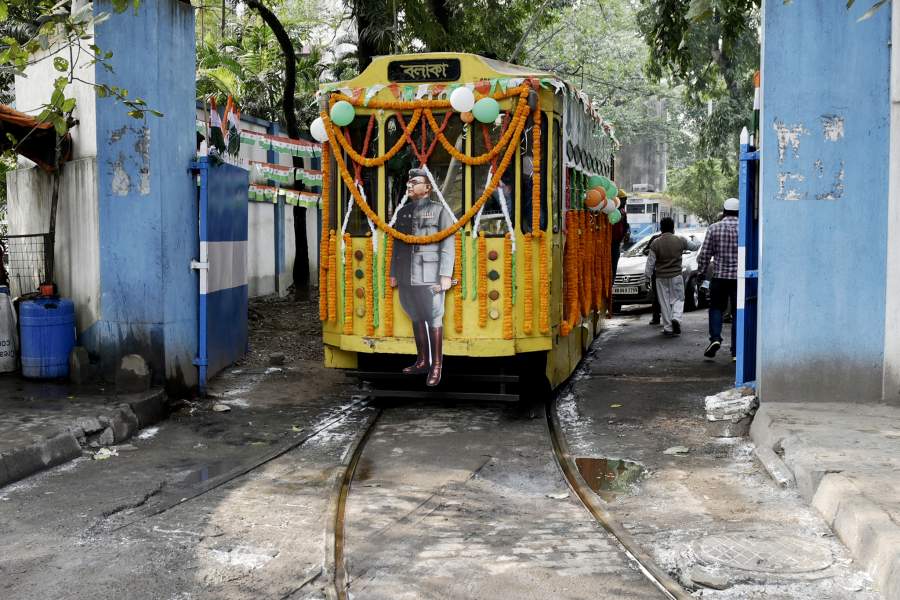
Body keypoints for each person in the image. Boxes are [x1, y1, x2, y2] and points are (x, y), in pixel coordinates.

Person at [389, 169, 455, 386]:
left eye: (415, 182)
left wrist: (446, 274)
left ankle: (437, 366)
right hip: (407, 274)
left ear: (427, 188)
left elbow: (447, 245)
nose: (409, 185)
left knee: (434, 316)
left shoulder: (440, 212)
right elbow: (397, 245)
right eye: (408, 182)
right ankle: (423, 361)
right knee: (415, 315)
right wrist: (393, 274)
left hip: (430, 274)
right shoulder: (403, 212)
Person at [696, 197, 739, 360]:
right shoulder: (745, 228)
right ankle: (736, 351)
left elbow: (705, 254)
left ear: (724, 211)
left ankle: (715, 338)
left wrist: (701, 273)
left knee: (716, 308)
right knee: (738, 312)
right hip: (739, 279)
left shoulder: (714, 228)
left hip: (719, 277)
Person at [644, 217, 690, 336]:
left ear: (661, 228)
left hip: (660, 277)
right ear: (673, 227)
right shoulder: (680, 240)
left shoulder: (655, 242)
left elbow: (650, 262)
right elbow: (695, 246)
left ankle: (668, 328)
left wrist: (647, 277)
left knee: (664, 302)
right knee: (679, 298)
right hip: (676, 275)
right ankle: (676, 318)